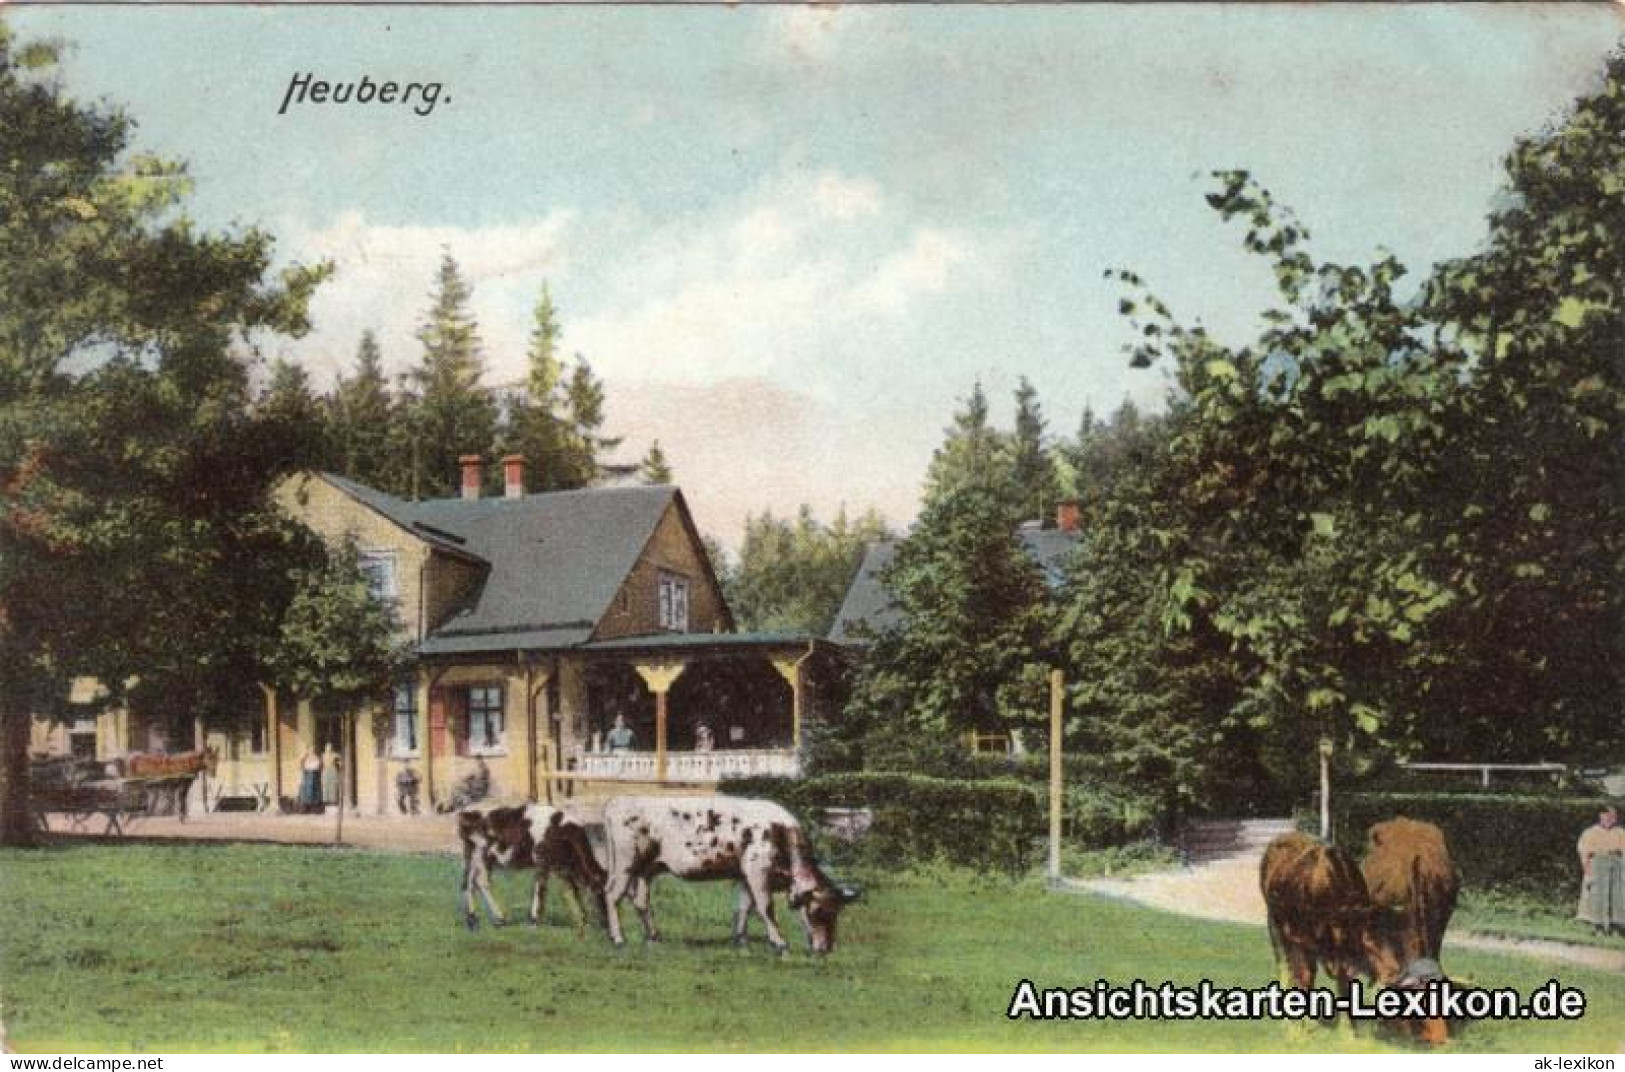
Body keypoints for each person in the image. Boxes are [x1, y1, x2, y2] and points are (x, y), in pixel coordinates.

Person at [1577, 805, 1625, 935]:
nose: (1610, 818)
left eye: (1613, 816)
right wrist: (1587, 872)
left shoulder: (1620, 832)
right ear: (1601, 816)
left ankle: (1617, 926)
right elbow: (1584, 853)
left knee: (1618, 894)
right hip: (1598, 862)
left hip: (1616, 861)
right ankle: (1598, 926)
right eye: (1607, 815)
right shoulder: (1591, 832)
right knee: (1598, 894)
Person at [297, 748, 322, 814]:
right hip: (307, 777)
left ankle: (314, 808)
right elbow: (302, 766)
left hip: (314, 776)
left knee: (314, 791)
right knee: (306, 792)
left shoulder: (316, 758)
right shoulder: (305, 758)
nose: (311, 752)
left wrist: (314, 769)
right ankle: (306, 808)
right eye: (310, 750)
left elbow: (318, 766)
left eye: (312, 750)